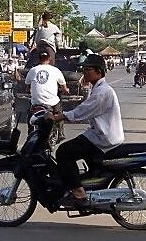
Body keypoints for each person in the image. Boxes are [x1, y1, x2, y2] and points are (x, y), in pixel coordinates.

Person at [48, 54, 124, 208]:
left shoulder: (102, 92)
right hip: (99, 134)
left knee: (63, 152)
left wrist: (59, 117)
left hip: (103, 138)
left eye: (88, 69)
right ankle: (84, 184)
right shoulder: (98, 88)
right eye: (84, 69)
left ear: (99, 71)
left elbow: (83, 111)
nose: (85, 72)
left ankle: (79, 193)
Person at [25, 48, 68, 143]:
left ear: (39, 59)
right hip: (52, 102)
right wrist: (66, 90)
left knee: (29, 115)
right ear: (49, 59)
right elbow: (64, 88)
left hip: (36, 103)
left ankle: (29, 133)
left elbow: (27, 88)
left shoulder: (32, 70)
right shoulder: (55, 70)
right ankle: (61, 134)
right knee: (59, 114)